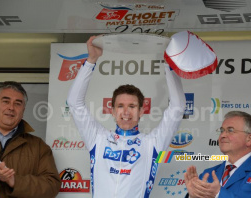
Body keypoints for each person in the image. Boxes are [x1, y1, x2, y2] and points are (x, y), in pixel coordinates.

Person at [67, 36, 186, 198]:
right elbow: (74, 103)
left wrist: (168, 64)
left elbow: (177, 108)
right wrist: (91, 60)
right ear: (113, 111)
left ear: (141, 111)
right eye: (120, 106)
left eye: (132, 106)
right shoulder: (98, 138)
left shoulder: (152, 144)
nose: (126, 112)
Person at [0, 81, 61, 198]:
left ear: (23, 111)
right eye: (6, 101)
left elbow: (52, 186)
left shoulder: (38, 146)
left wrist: (15, 181)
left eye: (17, 103)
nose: (11, 107)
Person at [184, 111, 251, 198]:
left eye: (230, 130)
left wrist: (218, 194)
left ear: (249, 139)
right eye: (221, 131)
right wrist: (192, 196)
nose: (222, 135)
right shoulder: (207, 173)